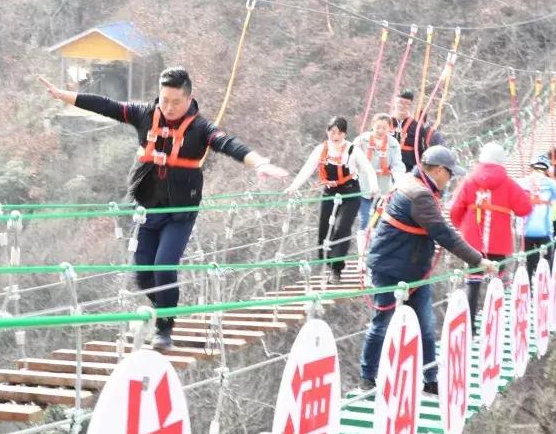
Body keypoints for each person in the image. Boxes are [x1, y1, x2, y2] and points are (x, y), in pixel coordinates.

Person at [38, 67, 288, 350]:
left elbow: (227, 143)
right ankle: (168, 307)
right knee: (143, 274)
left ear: (189, 99)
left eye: (176, 102)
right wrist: (63, 95)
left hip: (180, 213)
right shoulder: (145, 115)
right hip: (148, 209)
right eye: (164, 100)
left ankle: (164, 329)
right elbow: (106, 106)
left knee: (164, 266)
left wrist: (258, 162)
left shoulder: (200, 128)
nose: (168, 108)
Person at [360, 145, 498, 393]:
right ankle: (368, 377)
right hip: (392, 267)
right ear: (438, 171)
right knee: (384, 323)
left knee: (423, 324)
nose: (450, 179)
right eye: (450, 173)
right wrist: (478, 260)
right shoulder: (419, 195)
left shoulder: (412, 184)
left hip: (411, 267)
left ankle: (430, 379)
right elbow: (443, 234)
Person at [449, 142, 533, 333]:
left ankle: (470, 326)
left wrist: (463, 228)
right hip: (499, 241)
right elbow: (524, 209)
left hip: (472, 243)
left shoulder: (469, 181)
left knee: (473, 282)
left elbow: (455, 209)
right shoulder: (509, 184)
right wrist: (526, 194)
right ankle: (494, 325)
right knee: (497, 283)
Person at [286, 116, 378, 284]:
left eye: (339, 133)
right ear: (327, 132)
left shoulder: (352, 150)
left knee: (342, 228)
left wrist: (373, 187)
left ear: (345, 134)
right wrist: (294, 187)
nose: (335, 136)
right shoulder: (321, 149)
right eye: (332, 132)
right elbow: (308, 168)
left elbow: (368, 169)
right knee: (324, 228)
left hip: (350, 192)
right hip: (329, 191)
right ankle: (327, 262)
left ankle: (336, 269)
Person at [517, 154, 556, 281]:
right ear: (547, 169)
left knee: (528, 262)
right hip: (544, 231)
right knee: (548, 261)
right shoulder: (551, 184)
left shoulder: (520, 182)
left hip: (524, 231)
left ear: (532, 168)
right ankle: (548, 284)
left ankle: (528, 284)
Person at [353, 112, 406, 234]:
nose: (380, 131)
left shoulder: (393, 144)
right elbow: (351, 158)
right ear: (372, 125)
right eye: (378, 127)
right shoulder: (361, 140)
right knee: (364, 219)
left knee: (379, 220)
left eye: (384, 128)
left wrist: (400, 180)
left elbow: (397, 164)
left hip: (383, 188)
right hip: (364, 186)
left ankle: (374, 241)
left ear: (389, 129)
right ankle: (363, 241)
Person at [389, 89, 446, 171]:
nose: (403, 106)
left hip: (407, 171)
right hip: (383, 168)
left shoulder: (417, 128)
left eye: (407, 103)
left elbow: (422, 152)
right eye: (400, 102)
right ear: (394, 102)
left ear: (410, 105)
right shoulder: (383, 122)